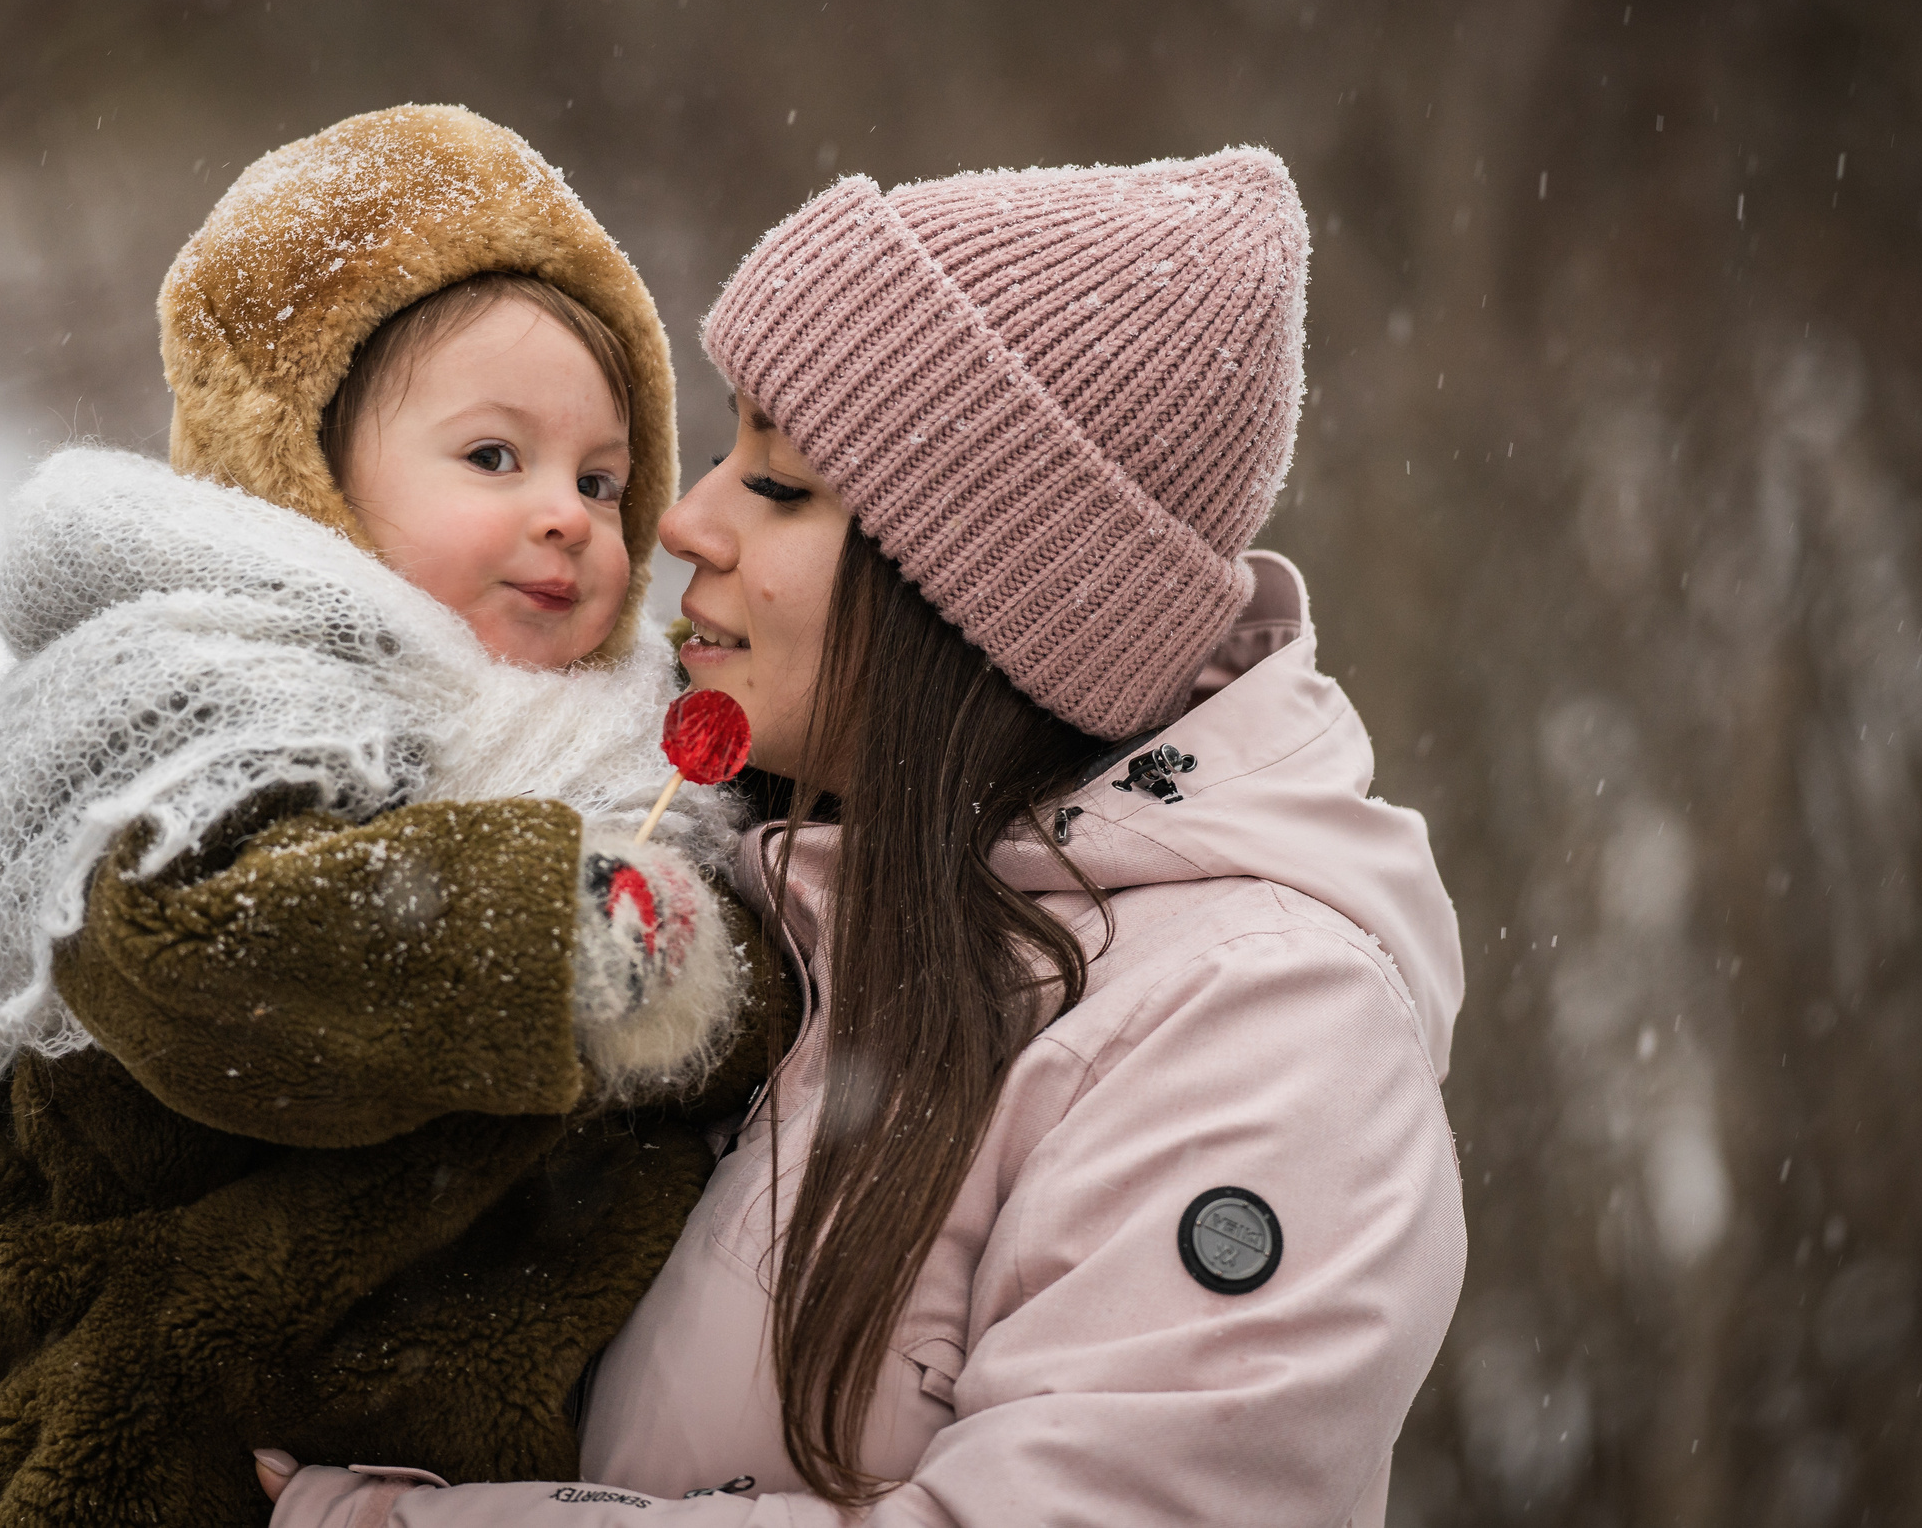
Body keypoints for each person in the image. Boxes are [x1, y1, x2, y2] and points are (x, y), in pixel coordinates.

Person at [261, 148, 1469, 1526]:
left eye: (778, 485)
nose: (679, 521)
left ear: (981, 604)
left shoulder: (1260, 1031)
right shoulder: (749, 887)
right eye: (729, 451)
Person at [0, 105, 782, 1528]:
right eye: (495, 459)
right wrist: (547, 934)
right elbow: (207, 951)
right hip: (185, 1434)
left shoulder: (631, 753)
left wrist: (711, 968)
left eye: (602, 479)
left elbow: (740, 983)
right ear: (305, 476)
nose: (567, 514)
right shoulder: (205, 711)